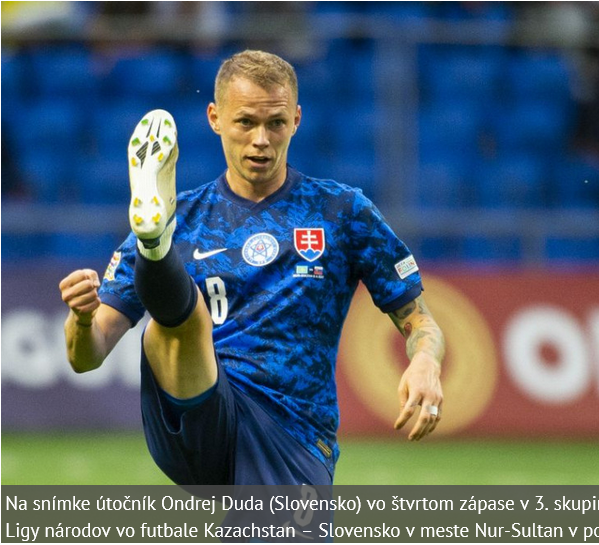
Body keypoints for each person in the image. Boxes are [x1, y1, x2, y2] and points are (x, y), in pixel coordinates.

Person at [58, 49, 445, 487]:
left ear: (296, 120)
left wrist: (426, 361)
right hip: (199, 413)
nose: (261, 139)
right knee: (175, 326)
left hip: (294, 432)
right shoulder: (180, 215)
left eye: (275, 123)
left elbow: (420, 322)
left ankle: (157, 257)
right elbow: (86, 356)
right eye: (245, 122)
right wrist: (82, 317)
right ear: (215, 118)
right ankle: (154, 249)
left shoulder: (342, 211)